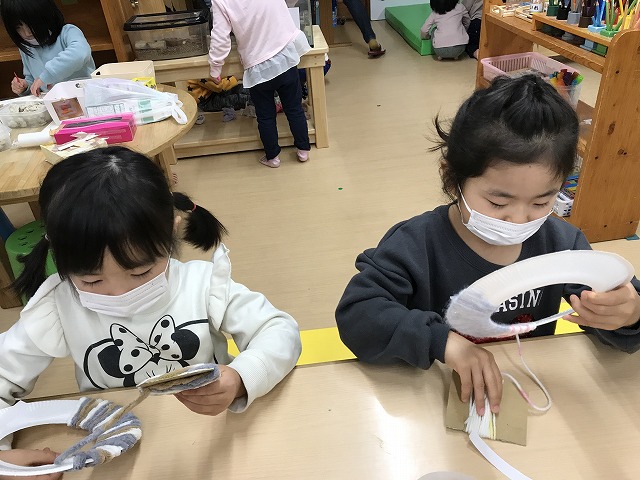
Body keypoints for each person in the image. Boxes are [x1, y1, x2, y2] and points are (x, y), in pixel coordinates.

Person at [335, 75, 640, 417]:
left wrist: (629, 314)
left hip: (525, 392)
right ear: (452, 178)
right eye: (498, 202)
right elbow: (358, 317)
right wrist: (442, 342)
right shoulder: (416, 244)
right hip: (431, 398)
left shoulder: (561, 244)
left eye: (542, 202)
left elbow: (619, 304)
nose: (519, 219)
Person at [0, 147, 302, 469]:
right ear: (58, 253)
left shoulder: (203, 284)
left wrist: (242, 377)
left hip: (212, 438)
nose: (120, 293)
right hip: (118, 452)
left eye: (141, 272)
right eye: (91, 280)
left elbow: (279, 330)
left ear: (170, 230)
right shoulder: (58, 305)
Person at [208, 0, 311, 168]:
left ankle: (273, 157)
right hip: (284, 55)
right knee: (294, 109)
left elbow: (220, 36)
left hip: (256, 66)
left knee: (265, 116)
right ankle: (303, 150)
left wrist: (215, 67)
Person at [2, 0, 95, 97]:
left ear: (46, 15)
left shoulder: (68, 32)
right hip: (54, 102)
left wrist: (47, 75)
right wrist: (25, 86)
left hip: (85, 96)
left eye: (30, 24)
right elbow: (33, 80)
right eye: (18, 27)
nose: (27, 33)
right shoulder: (26, 47)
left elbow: (80, 54)